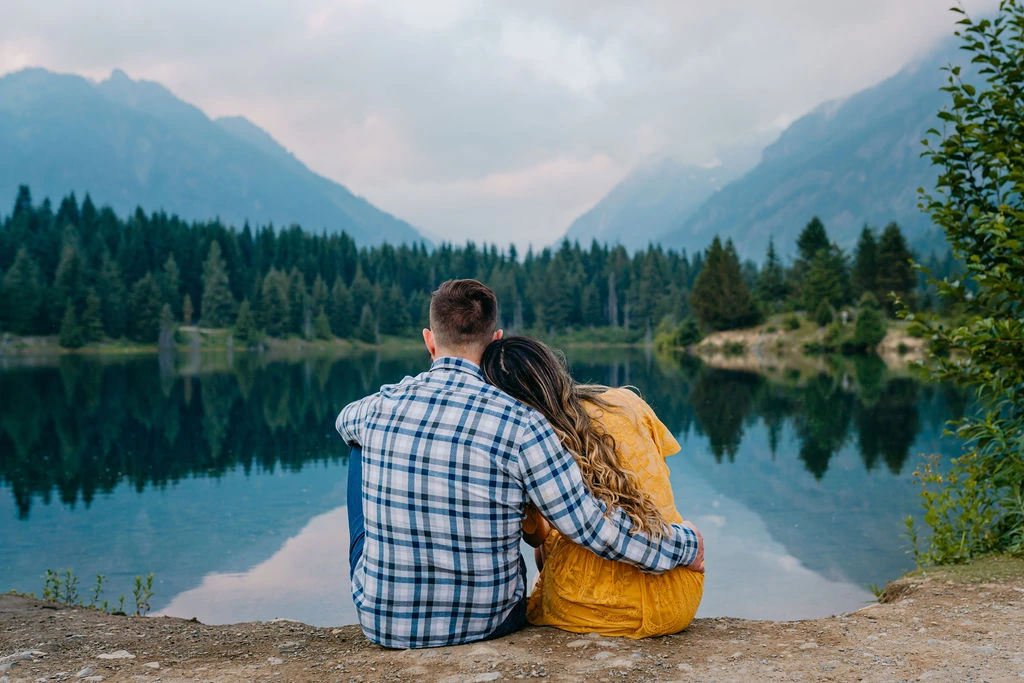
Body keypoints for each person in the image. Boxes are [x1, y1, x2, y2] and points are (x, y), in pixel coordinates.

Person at [336, 279, 704, 649]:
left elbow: (344, 420)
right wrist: (685, 546)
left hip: (383, 624)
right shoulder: (522, 424)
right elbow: (594, 528)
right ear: (496, 340)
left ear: (429, 341)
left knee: (360, 446)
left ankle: (388, 586)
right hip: (489, 621)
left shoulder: (379, 407)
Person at [480, 336, 704, 638]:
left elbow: (536, 535)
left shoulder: (530, 440)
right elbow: (658, 482)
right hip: (678, 593)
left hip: (596, 609)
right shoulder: (627, 402)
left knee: (553, 536)